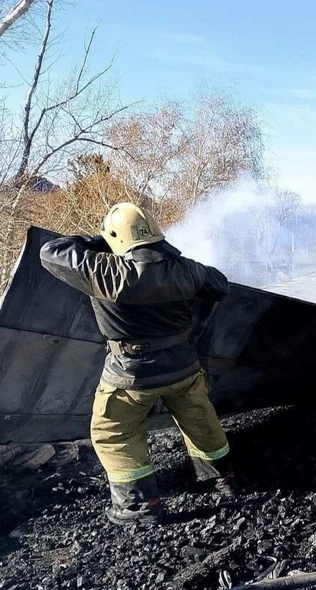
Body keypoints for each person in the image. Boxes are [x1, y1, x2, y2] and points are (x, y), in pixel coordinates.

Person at [39, 202, 237, 526]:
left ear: (116, 240)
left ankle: (140, 508)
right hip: (184, 368)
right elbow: (220, 285)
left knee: (112, 432)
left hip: (131, 375)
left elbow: (50, 251)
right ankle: (223, 480)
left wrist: (101, 240)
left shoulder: (104, 271)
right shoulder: (187, 269)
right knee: (201, 419)